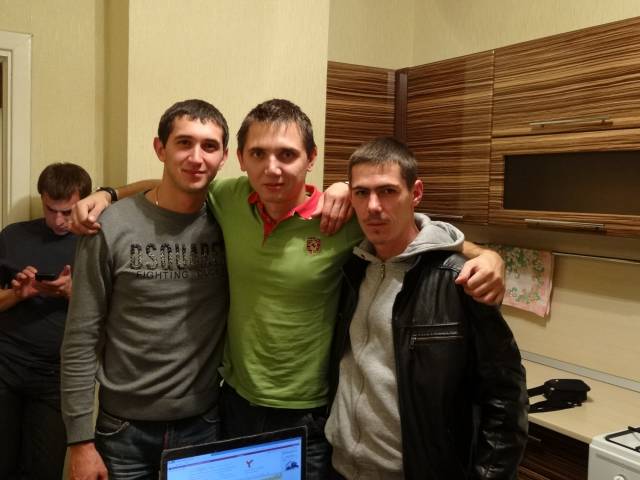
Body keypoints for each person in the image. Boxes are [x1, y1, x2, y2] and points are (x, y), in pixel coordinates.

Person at [69, 99, 506, 479]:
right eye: (258, 153)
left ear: (311, 158)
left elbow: (406, 227)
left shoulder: (343, 217)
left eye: (287, 154)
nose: (272, 168)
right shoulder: (228, 200)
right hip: (233, 405)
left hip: (309, 416)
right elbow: (175, 182)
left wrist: (485, 254)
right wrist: (107, 194)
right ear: (240, 160)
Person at [325, 137, 528, 479]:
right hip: (339, 468)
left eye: (388, 191)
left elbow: (505, 397)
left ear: (415, 193)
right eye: (361, 193)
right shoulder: (351, 268)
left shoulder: (457, 279)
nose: (373, 206)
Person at [61, 99, 230, 479]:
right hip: (122, 431)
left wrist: (342, 186)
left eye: (209, 146)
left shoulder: (231, 219)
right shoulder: (107, 226)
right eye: (184, 143)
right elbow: (81, 337)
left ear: (224, 158)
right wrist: (79, 441)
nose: (196, 157)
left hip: (203, 425)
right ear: (160, 148)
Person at [0, 163, 91, 480]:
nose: (59, 220)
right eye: (51, 210)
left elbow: (116, 310)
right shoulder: (13, 236)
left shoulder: (95, 241)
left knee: (43, 470)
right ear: (42, 198)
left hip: (58, 376)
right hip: (5, 368)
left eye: (67, 212)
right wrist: (18, 293)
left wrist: (71, 292)